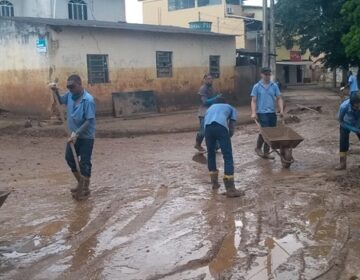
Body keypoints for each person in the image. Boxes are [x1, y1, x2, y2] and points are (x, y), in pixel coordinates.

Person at [50, 75, 96, 200]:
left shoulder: (88, 100)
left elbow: (89, 121)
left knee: (84, 162)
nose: (70, 89)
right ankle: (80, 183)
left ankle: (84, 188)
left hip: (86, 136)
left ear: (80, 85)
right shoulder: (70, 95)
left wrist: (77, 134)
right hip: (73, 135)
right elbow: (60, 101)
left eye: (73, 87)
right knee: (69, 158)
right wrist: (56, 92)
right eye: (68, 87)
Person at [204, 98, 244, 198]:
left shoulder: (210, 108)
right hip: (221, 128)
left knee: (211, 153)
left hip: (207, 129)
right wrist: (227, 137)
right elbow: (232, 126)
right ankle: (230, 189)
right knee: (227, 155)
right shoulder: (230, 108)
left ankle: (214, 183)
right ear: (226, 103)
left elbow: (204, 125)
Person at [251, 67, 284, 159]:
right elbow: (253, 101)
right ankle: (259, 148)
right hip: (261, 112)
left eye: (269, 74)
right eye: (266, 74)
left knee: (271, 132)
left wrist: (281, 110)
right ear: (261, 75)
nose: (267, 76)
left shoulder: (274, 86)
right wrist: (254, 112)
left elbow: (279, 98)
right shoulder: (257, 86)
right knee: (266, 131)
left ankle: (265, 151)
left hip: (272, 112)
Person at [195, 74, 222, 152]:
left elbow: (216, 99)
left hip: (212, 111)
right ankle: (198, 144)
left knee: (214, 129)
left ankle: (215, 146)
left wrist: (218, 98)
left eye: (211, 78)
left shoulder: (213, 88)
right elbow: (205, 102)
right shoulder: (202, 89)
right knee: (203, 131)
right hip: (204, 112)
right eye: (208, 79)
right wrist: (216, 98)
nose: (210, 80)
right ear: (204, 80)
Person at [336, 93, 360, 170]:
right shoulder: (344, 107)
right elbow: (340, 120)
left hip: (357, 122)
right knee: (343, 142)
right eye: (356, 107)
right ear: (351, 104)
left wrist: (357, 127)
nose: (359, 108)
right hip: (345, 123)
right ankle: (342, 164)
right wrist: (352, 128)